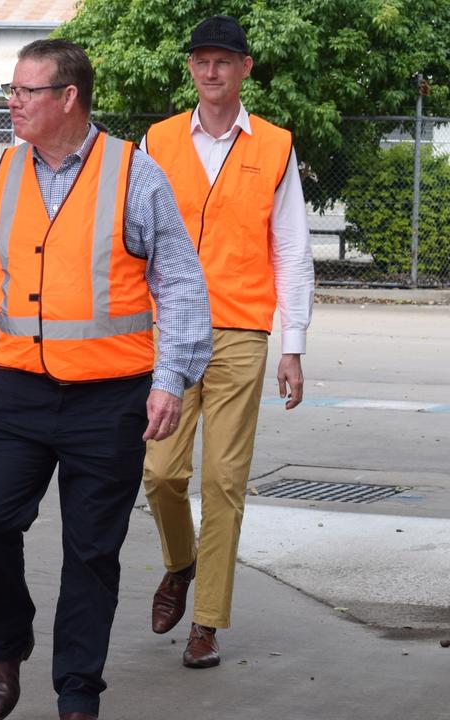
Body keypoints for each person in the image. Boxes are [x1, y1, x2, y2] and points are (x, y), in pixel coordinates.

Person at [0, 39, 212, 720]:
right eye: (11, 89)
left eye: (25, 91)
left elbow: (180, 285)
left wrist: (171, 379)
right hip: (19, 392)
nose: (13, 102)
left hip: (111, 398)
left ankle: (77, 691)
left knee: (93, 552)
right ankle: (8, 645)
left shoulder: (135, 175)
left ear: (68, 98)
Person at [140, 14, 313, 669]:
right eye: (201, 61)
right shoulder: (157, 142)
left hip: (242, 328)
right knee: (159, 473)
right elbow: (137, 235)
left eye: (224, 61)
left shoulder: (273, 146)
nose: (211, 71)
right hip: (171, 331)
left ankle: (206, 623)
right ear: (191, 69)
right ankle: (180, 563)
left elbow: (292, 246)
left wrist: (291, 343)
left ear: (245, 69)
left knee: (223, 481)